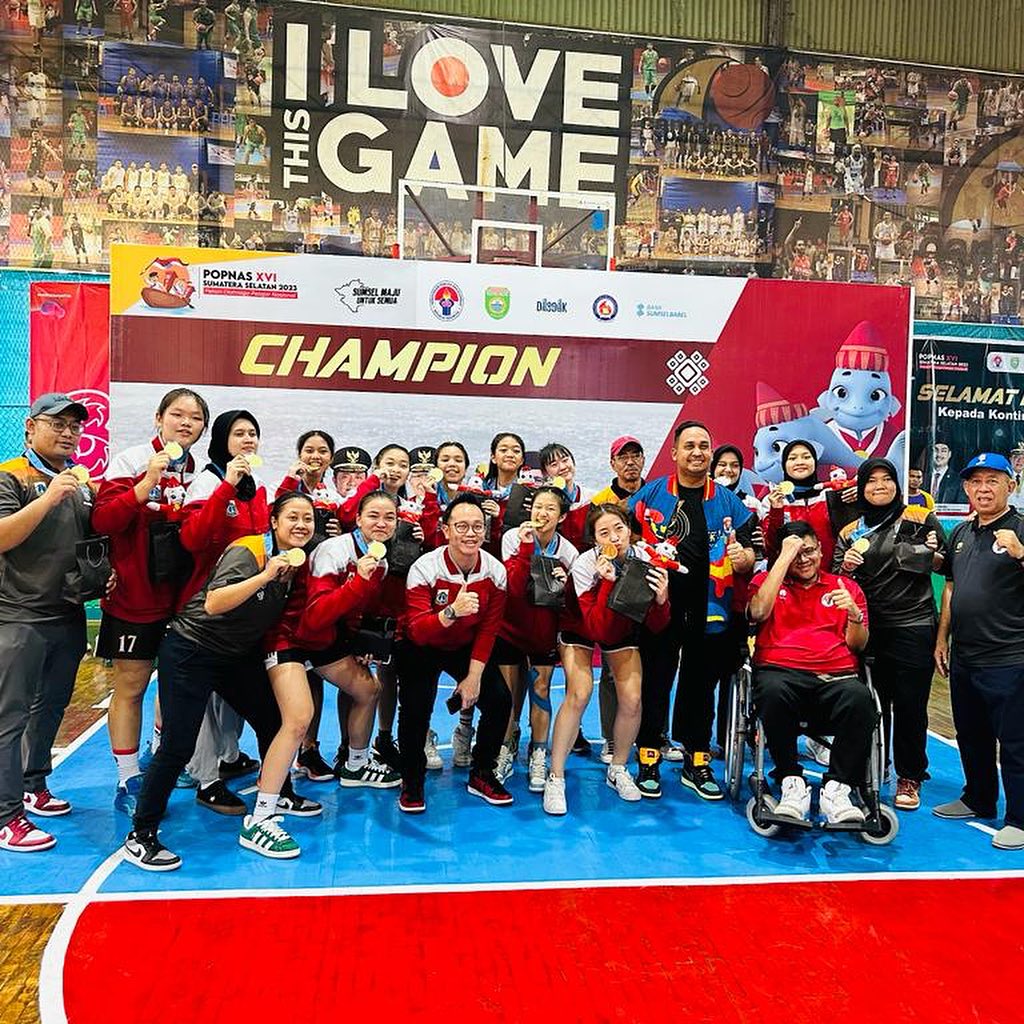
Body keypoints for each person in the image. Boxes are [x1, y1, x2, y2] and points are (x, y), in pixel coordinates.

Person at [122, 493, 322, 870]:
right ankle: (140, 834)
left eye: (307, 519)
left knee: (273, 720)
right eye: (292, 517)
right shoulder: (249, 551)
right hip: (191, 649)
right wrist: (265, 575)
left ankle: (280, 794)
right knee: (178, 745)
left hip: (235, 657)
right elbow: (213, 603)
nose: (301, 525)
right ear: (273, 521)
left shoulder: (297, 560)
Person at [93, 388, 209, 816]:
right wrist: (145, 485)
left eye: (195, 418)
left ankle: (160, 756)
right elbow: (103, 520)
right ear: (159, 418)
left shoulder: (199, 472)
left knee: (174, 684)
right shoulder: (131, 460)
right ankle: (127, 778)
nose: (185, 423)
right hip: (134, 598)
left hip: (181, 601)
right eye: (177, 414)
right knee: (132, 686)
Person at [628, 421, 756, 799]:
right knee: (656, 679)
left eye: (703, 446)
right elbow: (626, 538)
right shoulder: (652, 495)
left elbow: (752, 553)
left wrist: (744, 557)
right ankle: (648, 753)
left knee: (700, 683)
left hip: (712, 607)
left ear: (711, 453)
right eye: (689, 446)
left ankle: (696, 757)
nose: (697, 452)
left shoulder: (729, 502)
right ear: (674, 453)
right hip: (660, 605)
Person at [0, 395, 96, 852]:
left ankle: (32, 783)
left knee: (51, 707)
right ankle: (5, 816)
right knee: (9, 717)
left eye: (74, 426)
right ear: (30, 426)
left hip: (67, 612)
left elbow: (85, 543)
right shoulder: (11, 474)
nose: (68, 432)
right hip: (17, 614)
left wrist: (102, 574)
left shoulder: (81, 481)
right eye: (57, 424)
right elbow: (2, 537)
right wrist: (53, 494)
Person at [833, 459, 945, 810]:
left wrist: (928, 555)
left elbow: (943, 562)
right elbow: (836, 580)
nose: (879, 486)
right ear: (861, 488)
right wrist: (846, 566)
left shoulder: (919, 516)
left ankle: (910, 776)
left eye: (887, 479)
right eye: (871, 480)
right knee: (868, 703)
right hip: (868, 629)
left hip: (914, 625)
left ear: (897, 484)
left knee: (910, 706)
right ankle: (873, 767)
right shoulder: (850, 531)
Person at [747, 520, 875, 824]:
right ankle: (791, 782)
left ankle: (838, 789)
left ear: (821, 550)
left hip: (835, 676)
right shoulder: (766, 581)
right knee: (773, 692)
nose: (804, 559)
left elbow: (857, 645)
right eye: (796, 554)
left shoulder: (845, 587)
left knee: (861, 698)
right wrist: (783, 559)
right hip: (780, 672)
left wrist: (855, 616)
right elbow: (758, 612)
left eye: (810, 551)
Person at [544, 504, 669, 815]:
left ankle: (618, 767)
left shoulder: (645, 559)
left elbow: (657, 626)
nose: (614, 537)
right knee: (579, 693)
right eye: (604, 533)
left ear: (629, 530)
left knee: (632, 699)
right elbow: (596, 628)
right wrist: (608, 582)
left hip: (620, 626)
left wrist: (661, 600)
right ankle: (555, 776)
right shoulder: (585, 565)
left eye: (619, 528)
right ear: (594, 540)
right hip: (580, 626)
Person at [396, 495, 511, 813]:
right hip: (421, 644)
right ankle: (412, 781)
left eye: (477, 526)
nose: (470, 533)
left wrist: (473, 677)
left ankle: (482, 772)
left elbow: (489, 629)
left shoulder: (495, 571)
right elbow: (417, 630)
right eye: (461, 526)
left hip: (464, 644)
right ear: (445, 530)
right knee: (415, 708)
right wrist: (451, 612)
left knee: (499, 700)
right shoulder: (424, 568)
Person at [177, 410, 269, 812]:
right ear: (221, 440)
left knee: (231, 693)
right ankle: (205, 778)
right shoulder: (209, 482)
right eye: (238, 433)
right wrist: (226, 487)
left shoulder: (256, 486)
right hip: (206, 607)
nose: (248, 439)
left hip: (243, 609)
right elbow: (193, 539)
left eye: (253, 433)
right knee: (204, 695)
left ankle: (228, 756)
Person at [934, 453, 1024, 850]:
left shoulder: (1021, 529)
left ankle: (1019, 817)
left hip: (1010, 656)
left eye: (992, 481)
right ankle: (978, 798)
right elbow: (951, 588)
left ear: (1011, 486)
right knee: (971, 734)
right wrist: (942, 638)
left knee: (1016, 741)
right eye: (975, 482)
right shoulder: (961, 532)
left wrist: (1022, 553)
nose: (983, 489)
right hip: (965, 654)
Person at [298, 489, 404, 788]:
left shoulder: (380, 562)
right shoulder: (334, 550)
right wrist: (358, 580)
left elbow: (358, 613)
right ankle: (355, 767)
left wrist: (362, 646)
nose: (381, 523)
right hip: (307, 636)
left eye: (390, 517)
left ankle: (348, 754)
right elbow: (315, 615)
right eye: (373, 516)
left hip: (334, 634)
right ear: (357, 519)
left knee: (359, 685)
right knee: (369, 689)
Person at [495, 486, 578, 790]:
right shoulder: (512, 538)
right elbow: (514, 586)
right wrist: (526, 547)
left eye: (550, 508)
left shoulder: (568, 552)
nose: (542, 513)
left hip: (543, 633)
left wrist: (566, 585)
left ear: (562, 517)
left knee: (540, 690)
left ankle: (539, 752)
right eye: (538, 507)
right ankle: (505, 747)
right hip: (511, 627)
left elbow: (572, 603)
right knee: (507, 693)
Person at [590, 436, 647, 762]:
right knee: (612, 672)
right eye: (623, 457)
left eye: (635, 455)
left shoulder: (654, 495)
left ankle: (652, 737)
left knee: (651, 670)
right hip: (613, 593)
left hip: (646, 591)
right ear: (613, 463)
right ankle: (611, 738)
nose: (630, 462)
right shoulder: (600, 501)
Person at [762, 439, 855, 568]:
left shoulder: (832, 494)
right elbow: (771, 547)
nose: (800, 462)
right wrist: (776, 511)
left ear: (815, 463)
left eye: (806, 457)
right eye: (792, 458)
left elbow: (851, 536)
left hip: (833, 574)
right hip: (790, 576)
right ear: (784, 465)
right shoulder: (773, 500)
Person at [930, 441, 967, 506]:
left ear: (949, 454)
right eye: (936, 450)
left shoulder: (958, 480)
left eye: (943, 451)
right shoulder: (922, 476)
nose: (939, 455)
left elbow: (961, 506)